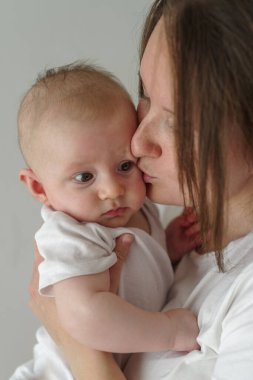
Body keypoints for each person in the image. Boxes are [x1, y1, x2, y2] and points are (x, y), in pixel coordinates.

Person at [20, 0, 253, 378]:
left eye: (176, 119)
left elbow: (82, 322)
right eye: (144, 95)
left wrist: (84, 356)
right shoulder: (92, 230)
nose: (138, 143)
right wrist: (172, 252)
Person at [11, 62, 200, 379]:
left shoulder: (137, 209)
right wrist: (167, 332)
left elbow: (136, 274)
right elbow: (85, 315)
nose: (112, 189)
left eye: (125, 165)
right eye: (84, 177)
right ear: (39, 188)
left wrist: (169, 246)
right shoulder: (70, 236)